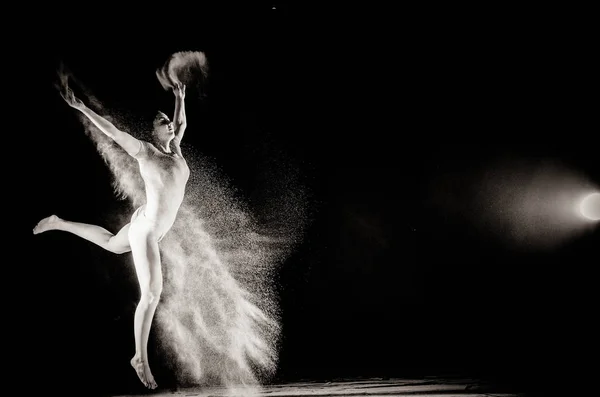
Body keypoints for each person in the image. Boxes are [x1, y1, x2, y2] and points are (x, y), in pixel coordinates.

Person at [33, 80, 190, 390]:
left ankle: (59, 223)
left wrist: (180, 99)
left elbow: (182, 121)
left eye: (170, 122)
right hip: (145, 229)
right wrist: (80, 107)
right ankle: (139, 357)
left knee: (111, 244)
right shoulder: (146, 152)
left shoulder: (177, 151)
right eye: (164, 122)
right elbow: (115, 134)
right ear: (153, 131)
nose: (171, 125)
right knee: (152, 294)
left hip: (148, 227)